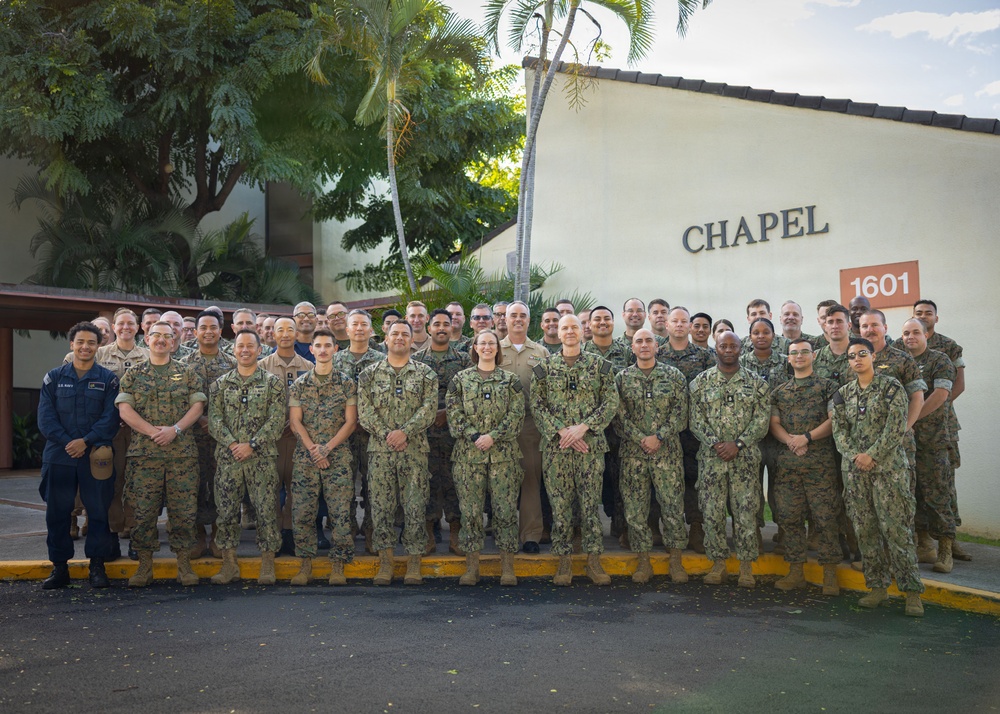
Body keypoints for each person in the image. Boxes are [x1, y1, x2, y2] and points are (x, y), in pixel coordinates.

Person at [831, 337, 924, 617]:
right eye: (851, 356)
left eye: (862, 353)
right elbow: (839, 432)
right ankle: (878, 588)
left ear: (873, 356)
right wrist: (856, 456)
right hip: (856, 472)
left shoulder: (891, 387)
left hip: (888, 470)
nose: (857, 359)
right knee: (866, 530)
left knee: (896, 530)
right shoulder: (843, 394)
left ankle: (911, 592)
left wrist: (871, 454)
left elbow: (896, 427)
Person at [531, 314, 620, 586]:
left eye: (573, 327)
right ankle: (564, 562)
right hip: (557, 447)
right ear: (556, 332)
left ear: (583, 331)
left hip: (589, 447)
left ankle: (593, 561)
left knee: (590, 506)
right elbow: (536, 405)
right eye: (564, 328)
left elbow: (610, 402)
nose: (569, 331)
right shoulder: (543, 368)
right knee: (560, 507)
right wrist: (562, 431)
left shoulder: (601, 367)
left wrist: (583, 428)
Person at [116, 321, 206, 587]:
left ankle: (184, 564)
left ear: (174, 341)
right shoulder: (133, 374)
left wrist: (175, 430)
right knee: (143, 513)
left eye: (168, 336)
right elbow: (124, 410)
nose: (162, 340)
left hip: (182, 456)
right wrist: (153, 432)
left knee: (184, 513)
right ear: (147, 339)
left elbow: (198, 406)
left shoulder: (188, 372)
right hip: (144, 456)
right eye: (156, 335)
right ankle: (144, 566)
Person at [37, 322, 120, 589]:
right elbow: (45, 420)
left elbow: (111, 419)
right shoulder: (53, 377)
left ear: (99, 346)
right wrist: (69, 443)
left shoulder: (109, 380)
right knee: (58, 513)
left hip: (95, 455)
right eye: (80, 342)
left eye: (91, 343)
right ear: (71, 344)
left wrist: (85, 442)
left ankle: (97, 566)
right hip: (60, 456)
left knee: (98, 512)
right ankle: (60, 568)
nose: (85, 347)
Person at [357, 321, 438, 586]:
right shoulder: (368, 374)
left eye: (406, 333)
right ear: (386, 339)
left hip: (414, 450)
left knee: (415, 505)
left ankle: (414, 562)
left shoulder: (426, 374)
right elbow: (364, 410)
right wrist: (387, 434)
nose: (400, 338)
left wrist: (404, 432)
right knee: (381, 507)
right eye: (395, 334)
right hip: (380, 450)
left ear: (412, 339)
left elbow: (428, 409)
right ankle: (386, 562)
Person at [689, 331, 770, 588]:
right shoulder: (699, 383)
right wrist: (715, 443)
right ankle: (718, 565)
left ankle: (746, 568)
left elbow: (762, 420)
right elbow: (694, 419)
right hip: (711, 460)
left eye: (732, 346)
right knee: (711, 514)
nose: (728, 349)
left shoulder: (757, 383)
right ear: (716, 348)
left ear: (740, 348)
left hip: (744, 460)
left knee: (745, 513)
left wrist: (738, 444)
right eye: (722, 345)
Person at [208, 330, 288, 585]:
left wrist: (251, 445)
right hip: (229, 458)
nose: (245, 350)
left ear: (259, 349)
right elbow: (214, 420)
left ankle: (267, 563)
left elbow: (277, 421)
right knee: (227, 512)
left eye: (250, 346)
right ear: (234, 350)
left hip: (261, 458)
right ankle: (229, 564)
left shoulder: (273, 383)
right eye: (240, 346)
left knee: (265, 510)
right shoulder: (220, 384)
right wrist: (234, 444)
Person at [446, 330, 525, 585]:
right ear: (475, 348)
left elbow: (517, 415)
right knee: (470, 513)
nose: (488, 347)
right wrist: (474, 436)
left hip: (504, 457)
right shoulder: (460, 379)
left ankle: (507, 567)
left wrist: (493, 436)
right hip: (468, 457)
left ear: (497, 348)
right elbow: (453, 414)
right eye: (483, 343)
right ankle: (472, 567)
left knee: (505, 511)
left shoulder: (510, 380)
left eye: (492, 343)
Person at [768, 338, 842, 595]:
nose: (799, 356)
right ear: (788, 358)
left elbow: (835, 420)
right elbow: (773, 423)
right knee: (790, 518)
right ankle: (796, 571)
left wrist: (806, 437)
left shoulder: (829, 387)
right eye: (794, 353)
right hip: (788, 465)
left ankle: (830, 574)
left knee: (825, 517)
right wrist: (790, 440)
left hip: (819, 465)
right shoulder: (779, 391)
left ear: (813, 356)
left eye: (804, 352)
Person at [615, 329, 689, 584]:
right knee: (635, 510)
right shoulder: (622, 379)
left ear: (657, 347)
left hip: (667, 453)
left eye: (649, 341)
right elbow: (618, 416)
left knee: (672, 506)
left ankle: (676, 560)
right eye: (639, 341)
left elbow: (681, 414)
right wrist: (641, 438)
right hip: (633, 455)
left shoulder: (674, 376)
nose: (644, 345)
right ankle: (643, 561)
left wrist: (658, 437)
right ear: (632, 348)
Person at [288, 330, 358, 586]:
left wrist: (326, 449)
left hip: (337, 457)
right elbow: (295, 421)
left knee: (340, 513)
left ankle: (338, 564)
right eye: (318, 346)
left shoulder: (347, 383)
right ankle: (305, 564)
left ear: (336, 349)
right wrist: (313, 450)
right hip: (306, 458)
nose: (323, 350)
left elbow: (351, 422)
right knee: (303, 512)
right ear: (312, 349)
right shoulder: (300, 384)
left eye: (328, 345)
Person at [912, 299, 970, 562]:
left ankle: (949, 541)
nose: (923, 317)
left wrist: (937, 407)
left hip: (940, 426)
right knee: (917, 486)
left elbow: (956, 386)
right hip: (912, 430)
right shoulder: (902, 349)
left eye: (928, 313)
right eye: (918, 313)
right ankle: (924, 540)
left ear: (936, 318)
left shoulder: (947, 348)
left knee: (942, 484)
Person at [413, 309, 472, 555]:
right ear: (429, 328)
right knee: (425, 482)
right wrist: (429, 416)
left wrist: (445, 413)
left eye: (445, 324)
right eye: (436, 324)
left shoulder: (464, 360)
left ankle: (456, 529)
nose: (441, 328)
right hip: (423, 434)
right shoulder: (416, 360)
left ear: (452, 328)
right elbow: (412, 397)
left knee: (454, 481)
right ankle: (427, 529)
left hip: (454, 433)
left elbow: (469, 396)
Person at [900, 318, 956, 573]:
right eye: (905, 333)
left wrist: (912, 417)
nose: (910, 337)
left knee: (937, 494)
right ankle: (923, 545)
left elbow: (941, 395)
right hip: (906, 442)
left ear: (926, 334)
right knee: (912, 493)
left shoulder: (939, 360)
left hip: (932, 440)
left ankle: (945, 549)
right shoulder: (900, 361)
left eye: (915, 332)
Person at [658, 307, 715, 553]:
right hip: (662, 430)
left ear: (690, 326)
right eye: (675, 321)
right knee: (660, 482)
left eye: (684, 321)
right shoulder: (656, 352)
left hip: (694, 431)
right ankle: (657, 528)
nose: (679, 325)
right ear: (666, 325)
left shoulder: (705, 357)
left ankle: (696, 528)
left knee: (694, 480)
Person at [180, 310, 236, 560]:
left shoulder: (232, 363)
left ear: (220, 330)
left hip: (222, 437)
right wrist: (200, 418)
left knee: (221, 486)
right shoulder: (184, 364)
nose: (208, 332)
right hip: (191, 436)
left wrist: (213, 422)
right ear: (195, 332)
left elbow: (235, 401)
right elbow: (180, 399)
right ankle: (196, 536)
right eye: (203, 327)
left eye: (213, 327)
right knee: (193, 484)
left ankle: (217, 535)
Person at [95, 307, 149, 558]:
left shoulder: (148, 356)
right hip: (111, 430)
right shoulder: (99, 354)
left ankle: (138, 539)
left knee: (139, 485)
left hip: (141, 431)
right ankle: (113, 535)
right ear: (113, 327)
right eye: (121, 324)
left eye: (131, 323)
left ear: (138, 327)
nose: (126, 328)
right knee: (112, 483)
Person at [259, 317, 315, 556]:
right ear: (272, 333)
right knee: (270, 488)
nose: (284, 334)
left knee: (297, 489)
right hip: (269, 439)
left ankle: (291, 533)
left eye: (289, 330)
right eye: (279, 330)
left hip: (297, 437)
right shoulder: (261, 366)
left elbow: (312, 404)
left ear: (296, 334)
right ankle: (273, 536)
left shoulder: (308, 366)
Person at [498, 300, 551, 554]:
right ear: (505, 320)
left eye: (522, 316)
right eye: (513, 315)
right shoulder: (493, 348)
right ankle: (503, 533)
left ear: (529, 320)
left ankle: (530, 535)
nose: (518, 319)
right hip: (499, 426)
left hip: (531, 424)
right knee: (502, 482)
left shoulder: (541, 352)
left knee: (531, 479)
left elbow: (549, 389)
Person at [332, 309, 386, 552]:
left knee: (373, 482)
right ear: (347, 329)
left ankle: (372, 528)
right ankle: (350, 526)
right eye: (355, 324)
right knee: (344, 483)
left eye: (365, 324)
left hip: (372, 432)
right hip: (342, 433)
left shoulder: (382, 359)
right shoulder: (334, 360)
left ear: (371, 330)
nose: (360, 328)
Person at [583, 306, 633, 545]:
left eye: (607, 318)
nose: (602, 322)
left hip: (620, 426)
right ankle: (584, 529)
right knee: (588, 480)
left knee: (623, 478)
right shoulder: (581, 353)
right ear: (589, 325)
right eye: (597, 319)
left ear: (614, 322)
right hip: (589, 428)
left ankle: (622, 526)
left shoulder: (627, 352)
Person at [738, 317, 789, 543]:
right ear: (750, 337)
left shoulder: (786, 362)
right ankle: (755, 530)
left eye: (765, 332)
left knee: (782, 486)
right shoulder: (741, 363)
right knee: (751, 485)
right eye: (756, 332)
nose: (761, 336)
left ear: (773, 335)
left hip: (780, 435)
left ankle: (785, 530)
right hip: (750, 437)